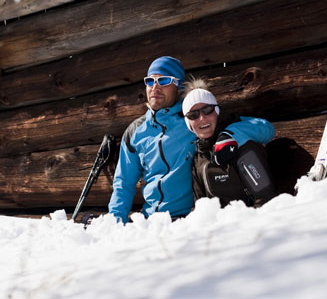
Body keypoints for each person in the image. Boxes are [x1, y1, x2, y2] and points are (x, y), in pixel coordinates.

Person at [108, 56, 274, 223]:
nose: (155, 87)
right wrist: (115, 222)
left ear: (179, 86)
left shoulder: (194, 117)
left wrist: (230, 135)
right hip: (151, 220)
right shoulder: (136, 131)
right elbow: (123, 183)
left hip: (188, 219)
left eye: (164, 80)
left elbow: (263, 128)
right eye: (150, 81)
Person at [182, 78, 276, 207]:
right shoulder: (198, 158)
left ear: (217, 112)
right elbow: (200, 209)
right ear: (189, 124)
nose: (202, 118)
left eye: (207, 110)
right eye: (193, 115)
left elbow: (265, 200)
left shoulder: (242, 146)